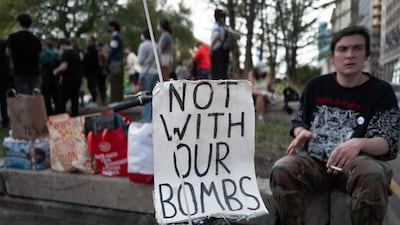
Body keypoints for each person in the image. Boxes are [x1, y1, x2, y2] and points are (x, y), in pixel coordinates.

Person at [269, 26, 400, 225]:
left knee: (373, 176)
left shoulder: (381, 92)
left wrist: (359, 143)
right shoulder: (316, 86)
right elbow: (299, 122)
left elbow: (387, 142)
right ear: (332, 56)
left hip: (356, 167)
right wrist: (301, 132)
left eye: (357, 48)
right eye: (343, 49)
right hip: (315, 162)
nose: (350, 55)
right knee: (282, 168)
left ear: (366, 55)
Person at [6, 13, 41, 95]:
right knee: (35, 96)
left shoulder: (13, 37)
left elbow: (8, 52)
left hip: (20, 71)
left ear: (19, 23)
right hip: (35, 71)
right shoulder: (36, 39)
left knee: (23, 96)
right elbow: (39, 55)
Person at [53, 39, 83, 117]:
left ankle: (62, 117)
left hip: (68, 80)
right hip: (78, 79)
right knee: (75, 99)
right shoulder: (77, 52)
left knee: (62, 100)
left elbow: (64, 66)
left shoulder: (66, 53)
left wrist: (56, 71)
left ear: (63, 44)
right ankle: (75, 116)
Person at [137, 29, 160, 123]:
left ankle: (146, 120)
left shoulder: (143, 45)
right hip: (156, 73)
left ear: (144, 35)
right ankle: (155, 120)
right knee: (155, 97)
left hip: (147, 73)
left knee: (146, 98)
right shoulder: (157, 46)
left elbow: (140, 61)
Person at [40, 40, 60, 115]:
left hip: (46, 78)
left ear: (46, 45)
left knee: (46, 97)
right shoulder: (56, 53)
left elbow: (42, 63)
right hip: (55, 78)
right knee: (56, 97)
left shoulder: (44, 54)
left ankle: (49, 113)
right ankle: (58, 112)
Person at [107, 21, 124, 102]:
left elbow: (113, 50)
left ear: (113, 27)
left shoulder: (115, 37)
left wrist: (108, 60)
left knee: (115, 83)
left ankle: (116, 101)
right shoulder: (117, 37)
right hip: (118, 62)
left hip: (115, 63)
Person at [210, 9, 229, 80]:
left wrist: (211, 47)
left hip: (217, 51)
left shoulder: (217, 25)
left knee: (216, 74)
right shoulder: (226, 27)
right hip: (225, 51)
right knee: (223, 74)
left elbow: (216, 35)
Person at [0, 38, 14, 129]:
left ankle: (5, 122)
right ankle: (6, 122)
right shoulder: (4, 42)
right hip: (5, 78)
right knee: (4, 101)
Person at [83, 36, 100, 107]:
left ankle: (94, 101)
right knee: (90, 86)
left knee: (92, 86)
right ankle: (94, 100)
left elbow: (92, 62)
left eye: (89, 40)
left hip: (92, 72)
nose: (87, 42)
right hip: (89, 72)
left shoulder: (93, 50)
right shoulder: (89, 50)